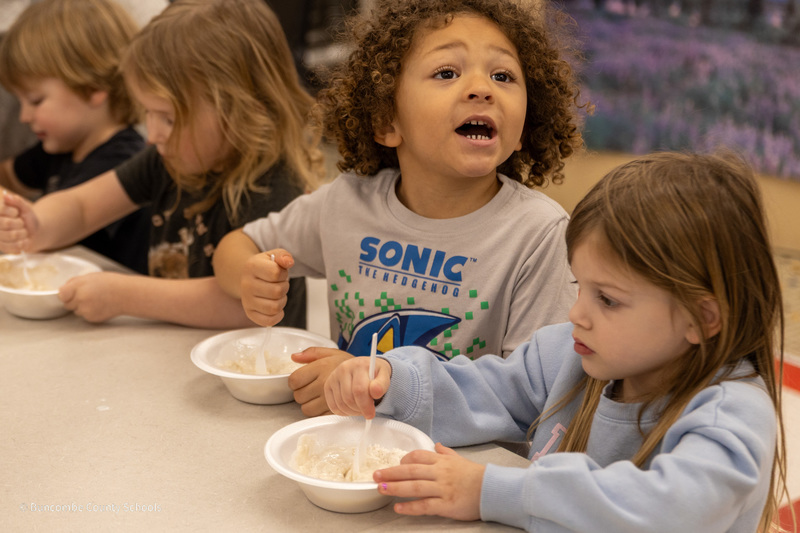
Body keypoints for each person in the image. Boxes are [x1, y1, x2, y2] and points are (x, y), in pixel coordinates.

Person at [324, 150, 791, 532]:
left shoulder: (732, 414)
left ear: (701, 317)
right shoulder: (571, 351)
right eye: (580, 288)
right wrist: (392, 379)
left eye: (607, 299)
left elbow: (669, 512)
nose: (577, 315)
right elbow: (486, 390)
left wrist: (493, 490)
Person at [213, 0, 587, 416]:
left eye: (503, 75)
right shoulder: (346, 202)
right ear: (386, 120)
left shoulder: (539, 233)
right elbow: (238, 245)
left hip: (458, 464)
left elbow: (535, 394)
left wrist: (379, 384)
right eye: (447, 72)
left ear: (523, 128)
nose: (483, 88)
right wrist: (251, 278)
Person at [0, 0, 323, 329]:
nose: (152, 135)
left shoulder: (276, 186)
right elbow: (83, 207)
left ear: (240, 111)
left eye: (167, 118)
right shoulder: (169, 159)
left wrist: (125, 296)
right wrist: (36, 224)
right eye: (148, 113)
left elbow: (243, 309)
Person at [0, 0, 150, 274]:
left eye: (35, 100)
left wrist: (25, 223)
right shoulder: (59, 148)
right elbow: (8, 177)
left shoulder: (124, 159)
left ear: (93, 88)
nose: (24, 116)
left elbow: (76, 213)